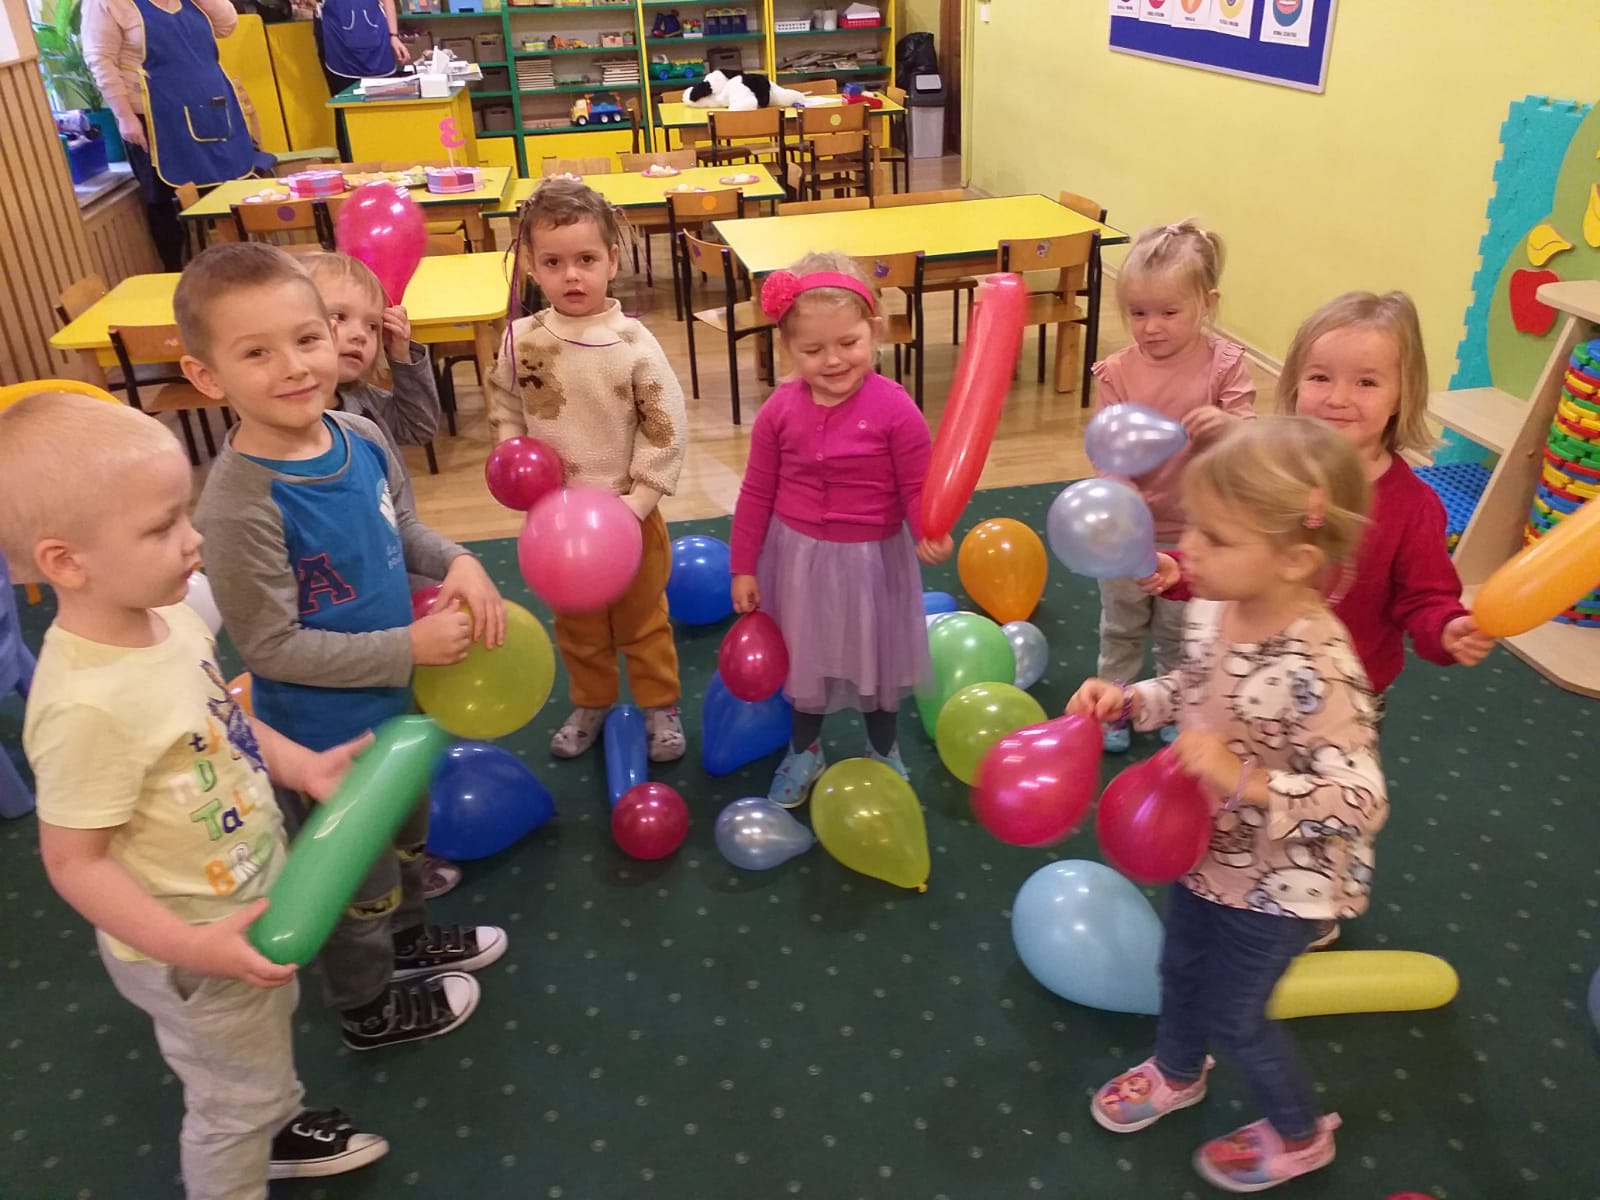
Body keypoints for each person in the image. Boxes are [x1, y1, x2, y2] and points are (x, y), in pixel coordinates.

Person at [0, 393, 388, 1197]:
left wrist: (303, 768)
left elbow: (224, 718)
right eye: (161, 528)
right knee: (228, 1107)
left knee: (255, 1058)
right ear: (67, 562)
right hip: (192, 945)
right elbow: (74, 863)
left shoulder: (168, 620)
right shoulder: (84, 706)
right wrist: (194, 948)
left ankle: (277, 1118)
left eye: (186, 511)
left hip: (244, 901)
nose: (194, 538)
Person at [180, 243, 509, 1052]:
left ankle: (411, 942)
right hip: (323, 741)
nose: (294, 366)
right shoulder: (238, 504)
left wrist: (460, 560)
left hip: (400, 705)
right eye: (257, 353)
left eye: (308, 337)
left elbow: (406, 528)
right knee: (356, 884)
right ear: (207, 377)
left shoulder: (359, 435)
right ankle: (367, 1009)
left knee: (406, 842)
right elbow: (271, 648)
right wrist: (410, 646)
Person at [1067, 417, 1386, 1193]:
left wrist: (1243, 779)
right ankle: (1178, 1070)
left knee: (1237, 1016)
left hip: (1283, 886)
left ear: (1295, 558)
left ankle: (1301, 1134)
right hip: (1207, 851)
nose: (1188, 550)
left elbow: (1361, 799)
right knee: (1179, 967)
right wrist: (1132, 700)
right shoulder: (1216, 607)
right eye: (1192, 528)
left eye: (1214, 537)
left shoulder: (1320, 663)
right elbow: (1193, 688)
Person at [728, 253, 952, 807]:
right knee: (805, 660)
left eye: (848, 343)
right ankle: (804, 750)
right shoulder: (778, 411)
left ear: (874, 331)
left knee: (879, 661)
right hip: (798, 561)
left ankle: (884, 750)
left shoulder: (896, 409)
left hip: (874, 561)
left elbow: (917, 486)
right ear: (788, 348)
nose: (833, 360)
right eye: (813, 349)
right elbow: (755, 492)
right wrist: (742, 566)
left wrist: (929, 528)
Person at [486, 177, 689, 762]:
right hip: (557, 527)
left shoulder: (633, 343)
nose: (571, 275)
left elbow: (665, 426)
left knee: (643, 621)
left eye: (586, 260)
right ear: (531, 266)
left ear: (612, 260)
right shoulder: (521, 339)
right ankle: (592, 700)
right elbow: (505, 402)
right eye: (553, 262)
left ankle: (660, 706)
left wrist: (638, 505)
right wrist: (511, 453)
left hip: (629, 517)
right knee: (577, 627)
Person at [304, 250, 461, 899]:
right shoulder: (289, 429)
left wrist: (406, 357)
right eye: (337, 318)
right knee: (365, 729)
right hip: (343, 608)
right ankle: (381, 858)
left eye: (369, 325)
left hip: (398, 573)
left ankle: (413, 831)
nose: (357, 335)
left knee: (409, 707)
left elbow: (421, 425)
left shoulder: (364, 402)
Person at [1087, 218, 1257, 754]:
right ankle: (1114, 702)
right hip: (1126, 535)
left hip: (1197, 533)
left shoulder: (1224, 367)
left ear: (1207, 303)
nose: (1151, 327)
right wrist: (1120, 489)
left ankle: (1176, 703)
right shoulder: (1117, 373)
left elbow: (1253, 442)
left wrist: (1228, 426)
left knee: (1183, 631)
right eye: (1138, 313)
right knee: (1121, 624)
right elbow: (1105, 447)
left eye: (1168, 312)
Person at [83, 0, 260, 270]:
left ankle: (242, 268)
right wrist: (124, 116)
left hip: (210, 108)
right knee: (164, 201)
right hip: (153, 119)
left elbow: (227, 25)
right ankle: (176, 273)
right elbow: (100, 60)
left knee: (226, 191)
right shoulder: (106, 3)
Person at [315, 0, 409, 102]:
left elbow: (388, 1)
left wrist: (393, 36)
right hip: (340, 49)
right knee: (345, 103)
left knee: (384, 104)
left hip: (377, 47)